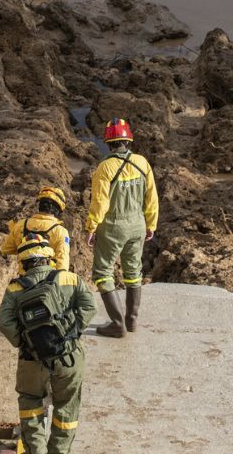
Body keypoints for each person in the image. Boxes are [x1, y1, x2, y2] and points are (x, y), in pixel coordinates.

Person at [0, 234, 96, 454]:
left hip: (32, 361)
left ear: (23, 262)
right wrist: (71, 333)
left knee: (30, 402)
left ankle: (37, 451)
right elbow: (90, 308)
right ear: (49, 258)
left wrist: (25, 343)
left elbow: (4, 323)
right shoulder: (69, 279)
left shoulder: (15, 289)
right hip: (69, 357)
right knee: (66, 407)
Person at [85, 118, 158, 338]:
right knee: (133, 272)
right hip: (138, 224)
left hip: (113, 226)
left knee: (102, 273)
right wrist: (151, 223)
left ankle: (117, 324)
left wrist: (91, 226)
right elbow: (151, 197)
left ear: (108, 142)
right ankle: (132, 320)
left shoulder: (105, 167)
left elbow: (100, 202)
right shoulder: (142, 162)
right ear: (128, 140)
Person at [1, 186, 72, 272]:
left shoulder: (20, 225)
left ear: (40, 205)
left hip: (25, 280)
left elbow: (5, 250)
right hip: (48, 281)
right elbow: (62, 264)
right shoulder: (61, 232)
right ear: (58, 210)